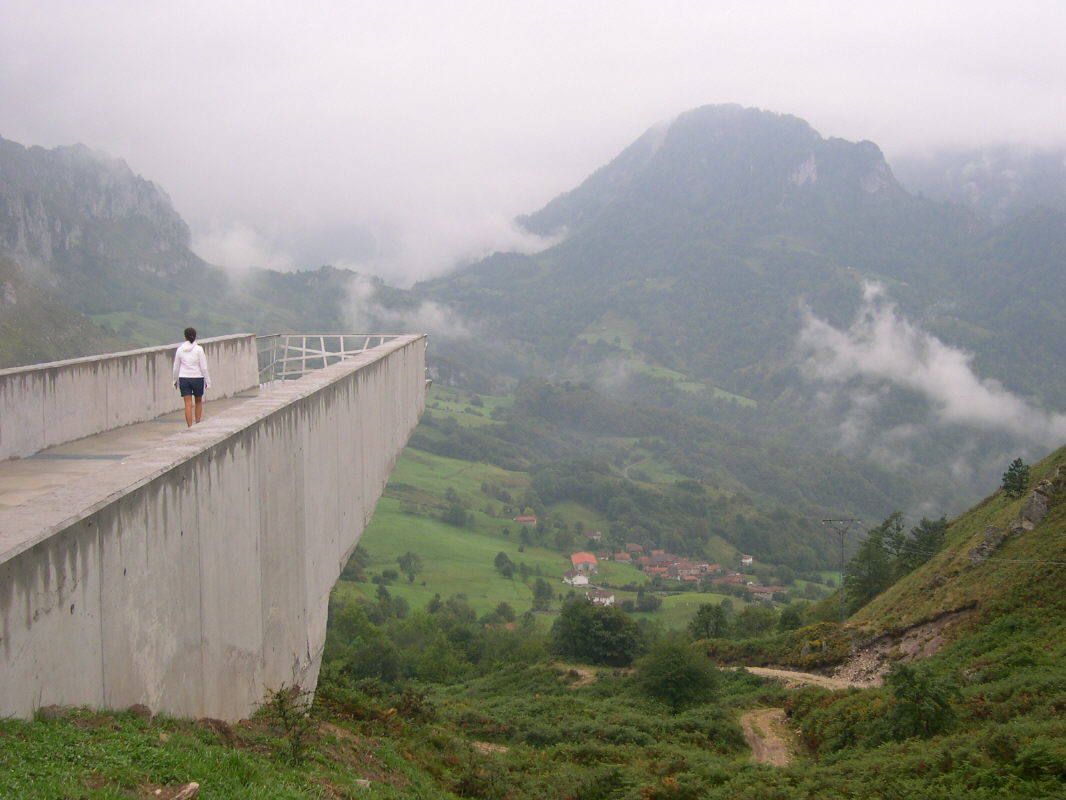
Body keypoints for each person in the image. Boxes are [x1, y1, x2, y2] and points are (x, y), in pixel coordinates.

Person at [172, 327, 211, 427]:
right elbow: (204, 367)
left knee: (187, 404)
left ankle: (190, 426)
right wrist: (208, 380)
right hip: (197, 377)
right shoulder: (199, 349)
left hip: (184, 378)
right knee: (198, 401)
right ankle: (197, 423)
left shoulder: (180, 350)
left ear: (185, 337)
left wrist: (174, 380)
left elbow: (176, 366)